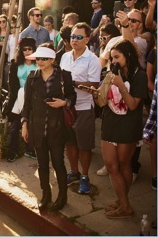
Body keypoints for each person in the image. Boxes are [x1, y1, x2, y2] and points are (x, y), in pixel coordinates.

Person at [20, 46, 76, 212]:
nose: (40, 62)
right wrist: (24, 125)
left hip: (57, 127)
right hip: (37, 127)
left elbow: (73, 96)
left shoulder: (63, 76)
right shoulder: (32, 77)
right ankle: (46, 194)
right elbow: (27, 104)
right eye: (38, 59)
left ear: (52, 60)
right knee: (42, 164)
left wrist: (64, 102)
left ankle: (62, 196)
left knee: (58, 163)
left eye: (44, 59)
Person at [99, 40, 149, 219]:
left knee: (124, 164)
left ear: (128, 56)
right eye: (112, 58)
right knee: (112, 167)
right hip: (110, 124)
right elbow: (102, 101)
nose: (114, 61)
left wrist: (121, 85)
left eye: (117, 57)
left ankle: (123, 203)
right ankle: (124, 204)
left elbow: (133, 105)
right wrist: (97, 91)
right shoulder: (112, 72)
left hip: (128, 126)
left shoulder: (139, 75)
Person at [60, 23, 101, 195]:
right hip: (67, 107)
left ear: (87, 38)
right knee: (70, 142)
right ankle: (74, 172)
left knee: (84, 145)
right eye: (72, 37)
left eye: (78, 37)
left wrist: (74, 84)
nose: (74, 40)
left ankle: (85, 176)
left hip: (84, 107)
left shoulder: (93, 59)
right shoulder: (65, 57)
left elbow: (94, 84)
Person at [2, 38, 38, 162]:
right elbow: (11, 83)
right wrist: (17, 97)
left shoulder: (39, 63)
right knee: (15, 127)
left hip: (34, 99)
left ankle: (29, 150)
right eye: (25, 49)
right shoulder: (16, 64)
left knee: (31, 126)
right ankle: (13, 152)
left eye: (30, 49)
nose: (27, 51)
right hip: (18, 98)